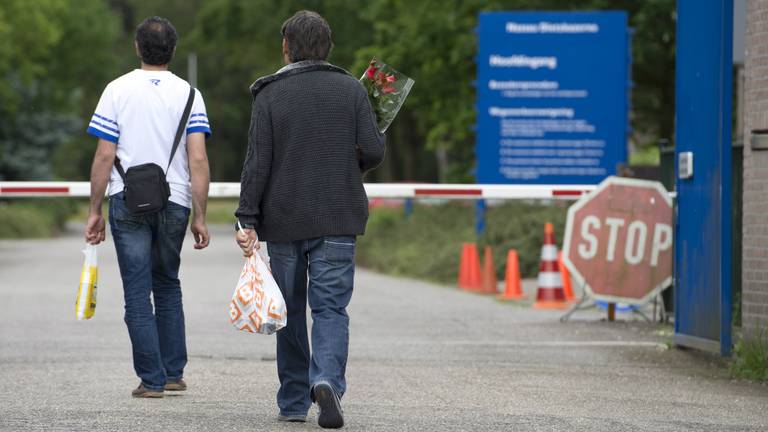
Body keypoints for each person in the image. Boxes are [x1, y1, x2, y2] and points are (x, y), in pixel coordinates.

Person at [234, 10, 385, 429]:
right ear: (328, 47)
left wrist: (246, 217)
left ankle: (294, 401)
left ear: (286, 48)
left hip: (283, 219)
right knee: (331, 308)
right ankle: (327, 382)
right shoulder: (352, 90)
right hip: (338, 216)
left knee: (290, 310)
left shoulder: (269, 95)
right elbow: (373, 150)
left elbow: (257, 163)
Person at [84, 16, 212, 398]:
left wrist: (95, 209)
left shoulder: (116, 90)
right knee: (168, 284)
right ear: (172, 50)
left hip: (127, 200)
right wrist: (200, 216)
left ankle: (151, 380)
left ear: (137, 47)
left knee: (137, 292)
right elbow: (199, 160)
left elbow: (105, 155)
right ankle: (173, 372)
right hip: (175, 201)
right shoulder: (190, 94)